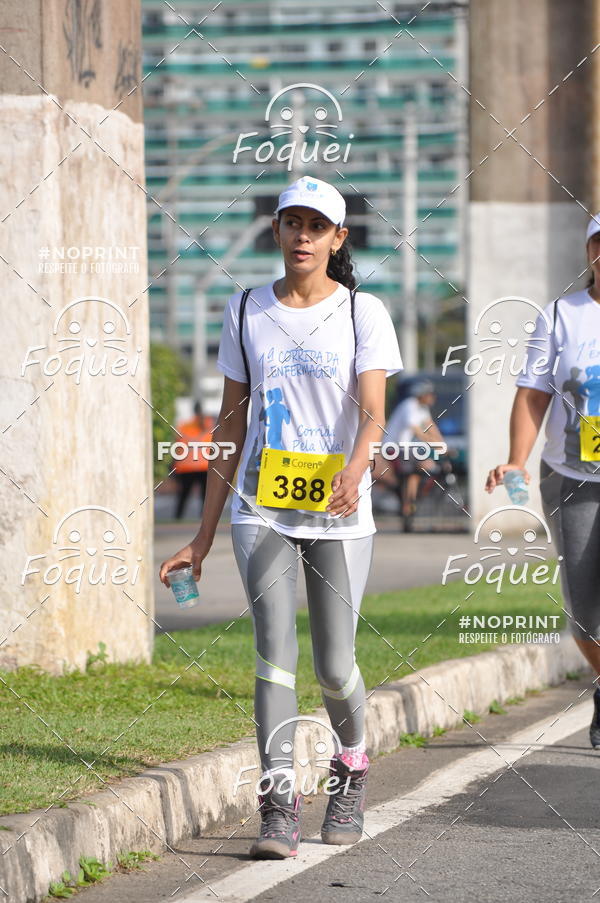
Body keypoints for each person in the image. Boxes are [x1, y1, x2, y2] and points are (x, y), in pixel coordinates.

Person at [159, 175, 402, 859]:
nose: (303, 235)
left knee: (334, 663)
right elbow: (230, 430)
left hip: (339, 511)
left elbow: (374, 410)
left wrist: (357, 469)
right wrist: (201, 537)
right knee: (274, 656)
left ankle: (350, 767)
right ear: (277, 230)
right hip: (260, 508)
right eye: (292, 222)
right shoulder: (244, 311)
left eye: (316, 226)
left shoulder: (364, 312)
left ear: (337, 238)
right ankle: (277, 805)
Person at [485, 213, 600, 748]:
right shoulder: (561, 315)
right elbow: (534, 394)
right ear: (588, 253)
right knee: (584, 605)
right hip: (573, 475)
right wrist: (516, 460)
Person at [385, 379, 446, 531]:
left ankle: (411, 502)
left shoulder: (423, 408)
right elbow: (416, 430)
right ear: (422, 395)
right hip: (394, 447)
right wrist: (435, 443)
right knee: (424, 466)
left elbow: (431, 427)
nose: (433, 398)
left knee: (417, 473)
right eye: (431, 394)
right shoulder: (410, 405)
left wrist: (443, 443)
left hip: (407, 448)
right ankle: (408, 506)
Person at [172, 401, 214, 520]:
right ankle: (205, 519)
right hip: (204, 466)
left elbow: (177, 448)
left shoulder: (184, 426)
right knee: (204, 496)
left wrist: (173, 467)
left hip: (186, 467)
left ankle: (178, 517)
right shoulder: (209, 426)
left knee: (183, 495)